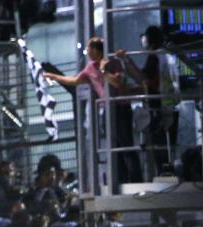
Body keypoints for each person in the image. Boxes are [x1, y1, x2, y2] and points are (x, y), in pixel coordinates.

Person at [45, 37, 142, 184]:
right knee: (113, 145)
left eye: (89, 49)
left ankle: (136, 180)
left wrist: (103, 70)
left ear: (96, 50)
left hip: (121, 108)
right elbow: (74, 80)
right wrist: (53, 76)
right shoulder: (90, 68)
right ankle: (121, 178)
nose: (87, 52)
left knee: (126, 144)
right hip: (106, 110)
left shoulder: (114, 63)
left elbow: (117, 83)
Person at [118, 26, 180, 177]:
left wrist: (126, 60)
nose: (143, 40)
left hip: (159, 108)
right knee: (167, 148)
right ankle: (167, 174)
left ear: (150, 39)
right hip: (171, 107)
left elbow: (143, 78)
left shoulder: (155, 56)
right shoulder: (168, 56)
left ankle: (164, 176)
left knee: (159, 149)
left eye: (145, 36)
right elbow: (152, 83)